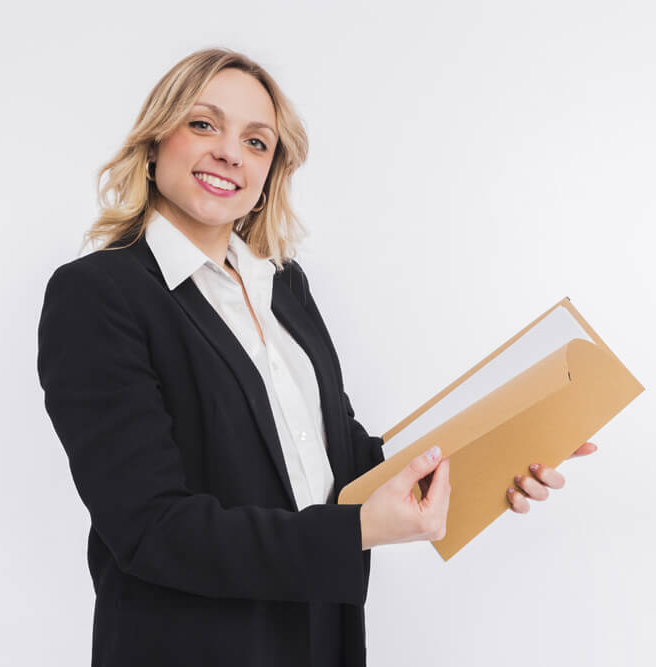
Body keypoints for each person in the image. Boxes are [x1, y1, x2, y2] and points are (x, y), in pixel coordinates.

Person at [36, 46, 598, 667]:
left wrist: (502, 448)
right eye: (204, 124)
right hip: (193, 647)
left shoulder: (283, 284)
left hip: (320, 634)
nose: (230, 152)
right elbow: (151, 530)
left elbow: (340, 460)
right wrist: (357, 530)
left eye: (257, 142)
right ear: (154, 141)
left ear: (270, 171)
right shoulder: (98, 293)